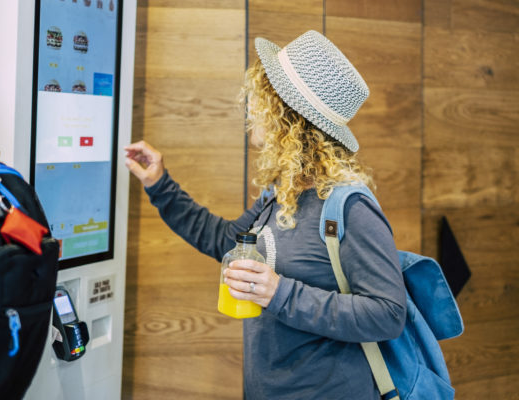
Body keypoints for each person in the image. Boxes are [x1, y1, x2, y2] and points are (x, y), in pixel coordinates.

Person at [125, 30, 406, 400]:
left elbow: (387, 314)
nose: (251, 106)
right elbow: (227, 242)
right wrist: (160, 184)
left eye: (262, 96)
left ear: (287, 115)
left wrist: (280, 292)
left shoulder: (350, 206)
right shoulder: (283, 192)